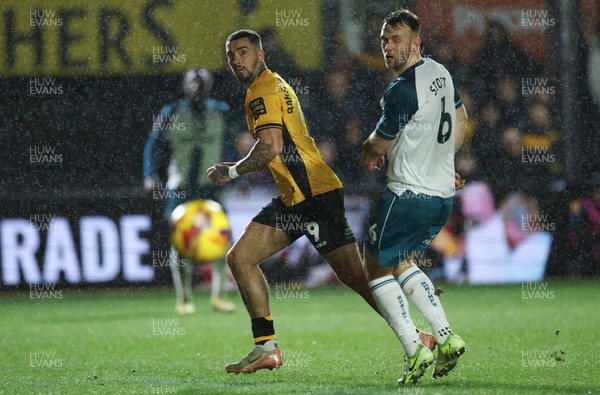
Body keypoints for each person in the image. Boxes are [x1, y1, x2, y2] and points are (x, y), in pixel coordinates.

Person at [208, 29, 436, 375]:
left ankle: (417, 338)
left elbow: (271, 147)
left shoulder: (261, 91)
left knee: (357, 278)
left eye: (243, 52)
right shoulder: (274, 84)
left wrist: (233, 172)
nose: (236, 60)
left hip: (312, 197)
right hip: (298, 198)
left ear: (261, 55)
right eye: (231, 55)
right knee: (241, 259)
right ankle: (265, 346)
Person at [360, 10, 468, 384]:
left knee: (373, 267)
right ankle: (446, 337)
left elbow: (378, 145)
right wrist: (444, 164)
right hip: (441, 198)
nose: (388, 47)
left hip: (407, 195)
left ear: (416, 42)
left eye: (396, 39)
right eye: (384, 41)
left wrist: (365, 151)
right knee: (401, 261)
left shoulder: (402, 89)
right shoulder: (441, 73)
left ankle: (414, 348)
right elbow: (461, 119)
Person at [144, 67, 235, 314]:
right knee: (180, 241)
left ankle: (219, 295)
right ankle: (184, 298)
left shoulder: (221, 112)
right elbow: (154, 146)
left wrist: (237, 174)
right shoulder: (170, 113)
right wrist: (150, 176)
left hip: (211, 186)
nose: (197, 88)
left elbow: (231, 145)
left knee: (222, 238)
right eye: (193, 83)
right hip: (181, 187)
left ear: (209, 86)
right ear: (184, 86)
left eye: (202, 83)